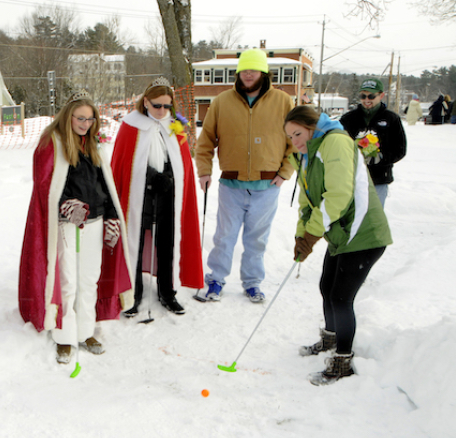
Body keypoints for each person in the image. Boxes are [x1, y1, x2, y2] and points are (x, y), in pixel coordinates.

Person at [18, 90, 133, 365]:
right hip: (67, 226)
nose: (85, 124)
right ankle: (64, 336)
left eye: (90, 119)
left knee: (89, 279)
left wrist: (110, 216)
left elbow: (104, 183)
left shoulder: (94, 144)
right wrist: (67, 206)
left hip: (95, 220)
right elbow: (46, 187)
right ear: (68, 116)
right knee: (68, 281)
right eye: (80, 118)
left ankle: (85, 331)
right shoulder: (52, 143)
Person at [284, 105, 392, 386]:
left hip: (363, 234)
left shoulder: (335, 143)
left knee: (341, 298)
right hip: (341, 234)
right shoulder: (306, 154)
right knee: (326, 287)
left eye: (298, 134)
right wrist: (301, 235)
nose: (294, 141)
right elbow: (308, 202)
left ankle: (342, 361)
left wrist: (311, 236)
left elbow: (338, 195)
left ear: (312, 127)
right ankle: (330, 339)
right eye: (290, 137)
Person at [195, 48, 295, 303]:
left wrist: (284, 173)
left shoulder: (283, 102)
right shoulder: (222, 101)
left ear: (263, 73)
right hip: (231, 183)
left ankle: (252, 282)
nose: (248, 74)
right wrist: (204, 171)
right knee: (224, 236)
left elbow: (295, 141)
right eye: (244, 69)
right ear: (238, 72)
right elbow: (205, 140)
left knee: (257, 238)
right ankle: (215, 280)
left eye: (254, 69)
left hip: (267, 185)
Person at [110, 77, 204, 317]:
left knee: (167, 242)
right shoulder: (131, 125)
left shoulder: (175, 126)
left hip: (168, 197)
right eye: (157, 105)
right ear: (145, 102)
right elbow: (124, 164)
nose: (162, 111)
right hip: (138, 197)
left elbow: (182, 162)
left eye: (166, 106)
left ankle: (167, 290)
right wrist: (151, 176)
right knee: (135, 242)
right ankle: (134, 292)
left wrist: (170, 178)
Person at [340, 78, 406, 208]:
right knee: (351, 216)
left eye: (371, 96)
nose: (366, 100)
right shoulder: (348, 119)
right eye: (363, 96)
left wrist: (381, 157)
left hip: (379, 178)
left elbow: (400, 148)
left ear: (381, 95)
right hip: (352, 177)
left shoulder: (391, 119)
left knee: (374, 216)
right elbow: (338, 144)